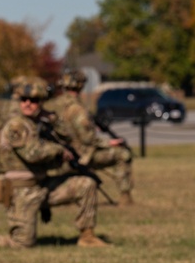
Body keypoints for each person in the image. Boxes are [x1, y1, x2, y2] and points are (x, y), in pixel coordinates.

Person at [0, 75, 110, 249]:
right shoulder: (17, 125)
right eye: (24, 99)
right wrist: (58, 150)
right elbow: (32, 153)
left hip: (43, 185)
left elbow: (67, 135)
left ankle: (87, 236)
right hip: (22, 190)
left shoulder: (38, 123)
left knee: (86, 184)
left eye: (34, 100)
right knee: (22, 244)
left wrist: (53, 118)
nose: (28, 104)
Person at [44, 70, 134, 205]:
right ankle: (125, 198)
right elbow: (88, 139)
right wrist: (110, 142)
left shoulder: (53, 104)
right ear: (81, 85)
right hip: (80, 156)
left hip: (57, 155)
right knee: (123, 154)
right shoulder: (77, 108)